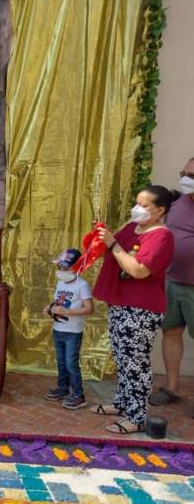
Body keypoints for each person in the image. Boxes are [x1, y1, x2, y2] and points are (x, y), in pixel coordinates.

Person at [92, 185, 176, 433]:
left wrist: (113, 244)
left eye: (144, 205)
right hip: (120, 302)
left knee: (136, 363)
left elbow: (139, 270)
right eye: (136, 203)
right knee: (121, 357)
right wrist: (103, 236)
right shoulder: (132, 227)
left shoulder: (162, 236)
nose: (137, 209)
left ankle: (137, 416)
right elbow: (112, 247)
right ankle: (122, 403)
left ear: (160, 210)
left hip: (140, 309)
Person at [149, 160, 194, 406]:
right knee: (171, 331)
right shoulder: (176, 203)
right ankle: (173, 387)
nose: (185, 179)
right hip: (171, 281)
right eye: (183, 173)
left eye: (192, 175)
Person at [44, 248, 94, 410]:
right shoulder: (60, 283)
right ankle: (63, 388)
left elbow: (89, 309)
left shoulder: (82, 285)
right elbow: (58, 302)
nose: (61, 271)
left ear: (78, 267)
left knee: (71, 363)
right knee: (61, 361)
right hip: (58, 329)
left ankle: (78, 395)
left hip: (73, 332)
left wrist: (67, 312)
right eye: (60, 268)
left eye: (65, 268)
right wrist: (49, 308)